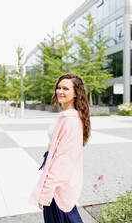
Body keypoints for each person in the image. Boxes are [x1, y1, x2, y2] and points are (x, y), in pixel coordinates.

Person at [28, 73, 91, 223]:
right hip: (53, 176)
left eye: (65, 88)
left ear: (76, 93)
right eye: (58, 87)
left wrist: (45, 192)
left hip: (57, 182)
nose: (60, 91)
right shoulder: (66, 115)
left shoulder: (71, 120)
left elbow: (63, 161)